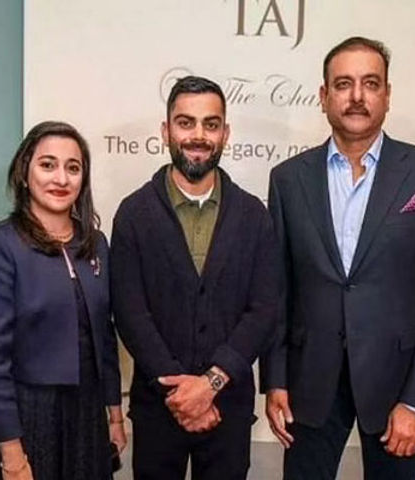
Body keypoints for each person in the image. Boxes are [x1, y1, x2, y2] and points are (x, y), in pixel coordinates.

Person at [261, 36, 415, 480]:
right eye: (343, 84)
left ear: (387, 95)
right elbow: (279, 290)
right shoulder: (288, 179)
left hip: (398, 386)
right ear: (324, 96)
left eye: (370, 83)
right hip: (310, 384)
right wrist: (275, 379)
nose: (357, 96)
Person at [110, 75, 280, 480]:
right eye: (186, 123)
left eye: (211, 124)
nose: (198, 136)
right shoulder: (133, 214)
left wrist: (211, 384)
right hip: (157, 409)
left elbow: (263, 310)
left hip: (228, 409)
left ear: (226, 134)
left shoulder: (254, 215)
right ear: (166, 131)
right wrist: (181, 393)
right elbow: (131, 314)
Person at [0, 121, 126, 480]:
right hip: (25, 418)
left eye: (73, 168)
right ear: (25, 172)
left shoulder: (96, 243)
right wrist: (11, 453)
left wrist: (114, 415)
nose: (61, 178)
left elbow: (104, 337)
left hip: (86, 416)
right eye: (47, 165)